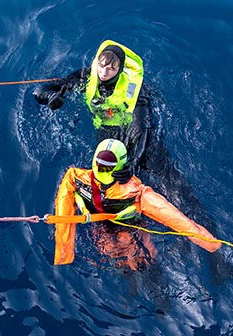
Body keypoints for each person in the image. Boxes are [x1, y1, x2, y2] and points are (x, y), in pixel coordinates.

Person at [52, 139, 221, 267]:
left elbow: (178, 221)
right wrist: (64, 253)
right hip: (104, 228)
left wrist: (211, 245)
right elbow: (63, 212)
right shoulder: (76, 178)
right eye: (100, 164)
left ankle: (155, 294)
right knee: (117, 256)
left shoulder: (136, 192)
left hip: (128, 228)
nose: (102, 170)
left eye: (107, 166)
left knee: (138, 259)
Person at [34, 40, 151, 183]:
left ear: (119, 70)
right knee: (107, 175)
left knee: (150, 164)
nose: (104, 73)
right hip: (107, 128)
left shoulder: (134, 89)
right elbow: (39, 91)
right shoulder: (87, 76)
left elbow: (141, 129)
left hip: (133, 128)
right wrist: (51, 97)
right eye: (101, 66)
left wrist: (134, 162)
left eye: (111, 69)